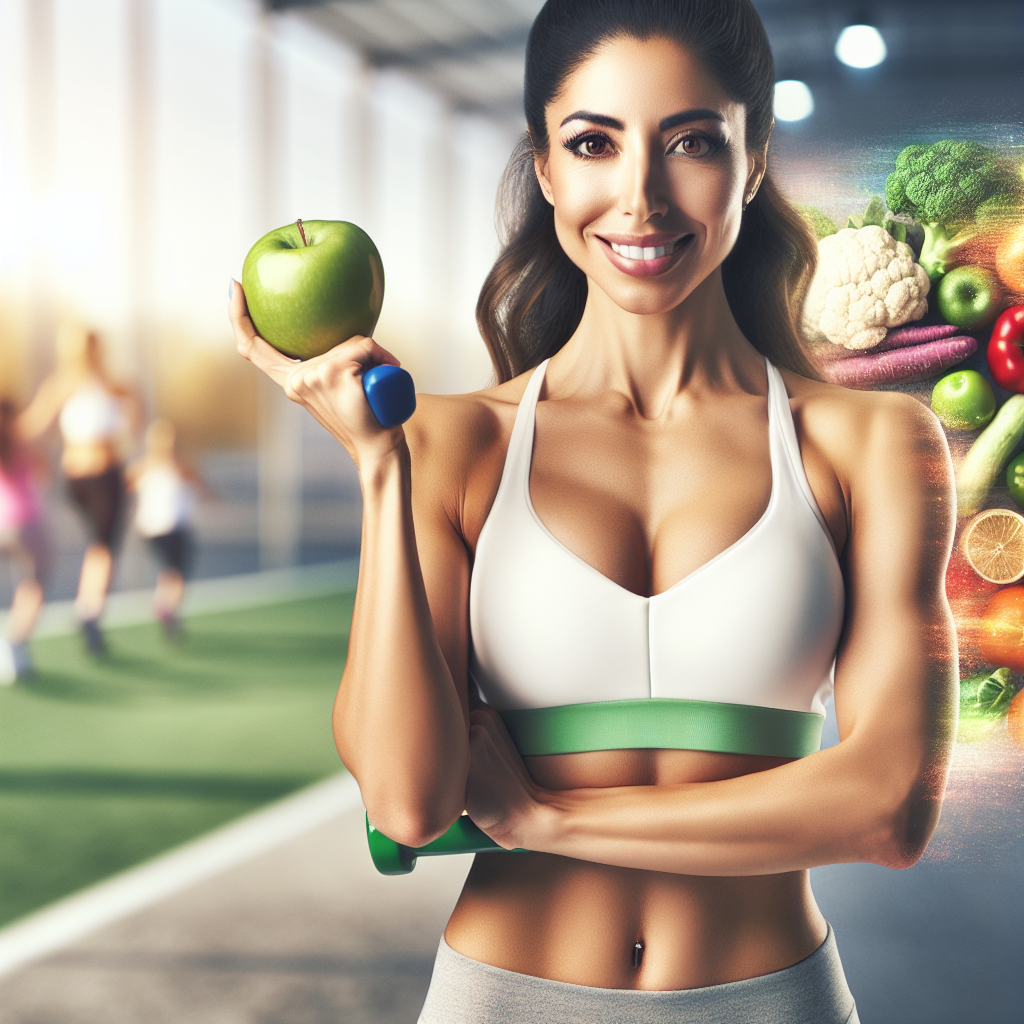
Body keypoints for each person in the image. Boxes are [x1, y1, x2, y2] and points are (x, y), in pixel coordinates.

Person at [229, 1, 956, 1020]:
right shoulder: (446, 445)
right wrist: (380, 469)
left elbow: (886, 807)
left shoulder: (869, 444)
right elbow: (407, 800)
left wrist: (544, 817)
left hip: (772, 997)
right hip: (502, 997)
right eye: (593, 143)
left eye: (691, 143)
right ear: (545, 170)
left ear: (751, 164)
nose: (639, 196)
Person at [18, 325, 142, 657]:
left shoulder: (115, 384)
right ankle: (88, 611)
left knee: (102, 546)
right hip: (79, 479)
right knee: (100, 546)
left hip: (109, 474)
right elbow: (33, 426)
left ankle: (89, 613)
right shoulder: (62, 385)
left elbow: (137, 415)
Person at [127, 418, 204, 639]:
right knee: (174, 572)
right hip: (155, 530)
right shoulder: (143, 467)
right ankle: (166, 609)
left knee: (174, 573)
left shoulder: (182, 467)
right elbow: (125, 488)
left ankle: (167, 607)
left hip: (178, 527)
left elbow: (200, 486)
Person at [0, 399, 49, 683]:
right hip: (28, 527)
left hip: (3, 528)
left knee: (25, 584)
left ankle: (15, 645)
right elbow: (44, 473)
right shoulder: (22, 446)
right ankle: (16, 643)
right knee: (34, 587)